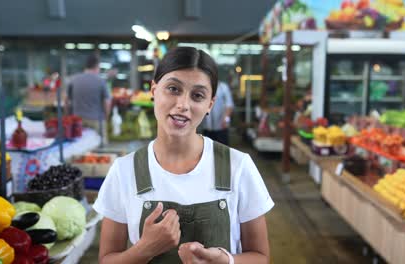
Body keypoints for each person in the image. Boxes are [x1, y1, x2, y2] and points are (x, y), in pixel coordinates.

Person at [93, 47, 274, 264]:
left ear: (210, 105)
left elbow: (260, 257)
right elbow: (107, 259)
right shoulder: (124, 170)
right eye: (173, 89)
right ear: (153, 90)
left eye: (197, 95)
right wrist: (144, 249)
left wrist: (225, 261)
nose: (183, 105)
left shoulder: (239, 166)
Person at [66, 54, 111, 144]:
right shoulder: (101, 81)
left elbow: (67, 101)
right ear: (97, 66)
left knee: (79, 147)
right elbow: (107, 102)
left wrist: (69, 116)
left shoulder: (74, 80)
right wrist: (106, 116)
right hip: (96, 121)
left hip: (78, 120)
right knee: (99, 149)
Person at [200, 81, 234, 145]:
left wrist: (226, 120)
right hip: (207, 128)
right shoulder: (204, 86)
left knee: (222, 150)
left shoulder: (223, 87)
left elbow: (229, 105)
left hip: (221, 128)